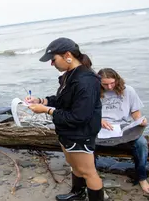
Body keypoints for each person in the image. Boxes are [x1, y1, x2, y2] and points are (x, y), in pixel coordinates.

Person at [27, 38, 104, 201]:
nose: (51, 64)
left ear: (67, 55)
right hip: (67, 130)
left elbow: (80, 117)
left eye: (53, 59)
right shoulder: (70, 75)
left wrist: (46, 110)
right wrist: (42, 101)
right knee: (75, 165)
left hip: (81, 133)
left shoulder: (86, 80)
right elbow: (63, 100)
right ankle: (78, 194)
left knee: (88, 171)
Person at [97, 68, 149, 194]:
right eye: (105, 84)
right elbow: (85, 112)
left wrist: (140, 121)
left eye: (112, 83)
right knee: (87, 142)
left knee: (141, 143)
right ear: (98, 82)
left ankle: (142, 178)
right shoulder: (93, 91)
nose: (110, 87)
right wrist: (98, 119)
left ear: (117, 79)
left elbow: (135, 112)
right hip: (101, 126)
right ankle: (92, 177)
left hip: (122, 126)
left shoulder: (128, 90)